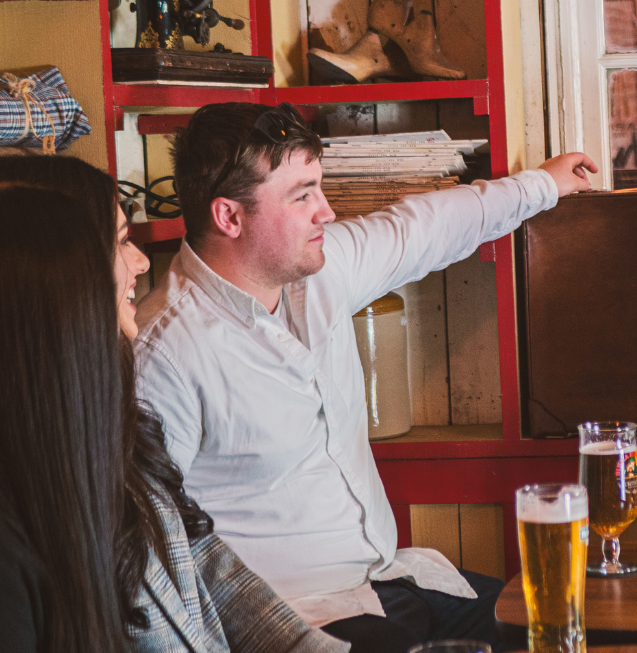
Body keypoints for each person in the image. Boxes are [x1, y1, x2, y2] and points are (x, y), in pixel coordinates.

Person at [134, 102, 598, 651]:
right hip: (296, 623)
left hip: (391, 582)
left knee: (564, 629)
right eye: (302, 194)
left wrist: (543, 184)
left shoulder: (320, 269)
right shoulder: (162, 354)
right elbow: (150, 551)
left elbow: (426, 227)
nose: (326, 212)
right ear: (229, 217)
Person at [0, 156, 347, 653]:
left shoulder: (120, 432)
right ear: (62, 273)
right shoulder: (15, 542)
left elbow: (202, 559)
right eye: (121, 241)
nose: (143, 261)